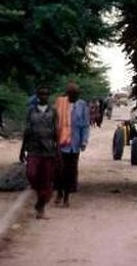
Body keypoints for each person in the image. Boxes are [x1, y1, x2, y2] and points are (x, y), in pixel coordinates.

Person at [19, 87, 58, 219]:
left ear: (48, 96)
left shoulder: (53, 111)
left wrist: (57, 150)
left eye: (46, 94)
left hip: (48, 150)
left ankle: (40, 207)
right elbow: (27, 131)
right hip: (33, 148)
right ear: (37, 96)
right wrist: (22, 149)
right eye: (41, 94)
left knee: (46, 180)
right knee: (31, 174)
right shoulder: (31, 111)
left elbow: (56, 131)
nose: (43, 96)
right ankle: (40, 195)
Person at [54, 82, 90, 207]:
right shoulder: (60, 103)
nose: (74, 96)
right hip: (61, 143)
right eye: (72, 94)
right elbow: (54, 121)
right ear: (67, 94)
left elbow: (85, 125)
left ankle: (66, 197)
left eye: (76, 94)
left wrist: (84, 141)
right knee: (59, 170)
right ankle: (59, 192)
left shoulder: (82, 105)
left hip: (74, 144)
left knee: (71, 170)